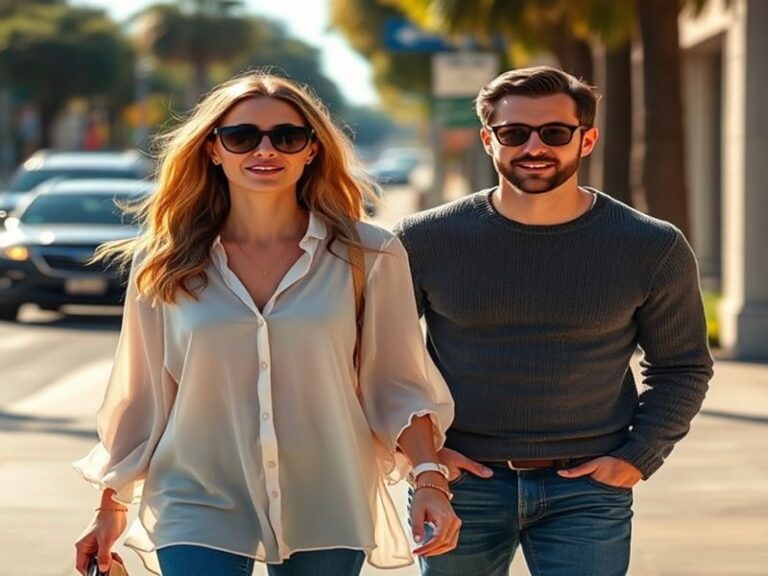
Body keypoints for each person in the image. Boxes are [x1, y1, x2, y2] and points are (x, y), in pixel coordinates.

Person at [73, 72, 460, 576]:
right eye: (241, 136)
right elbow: (142, 397)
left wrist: (429, 479)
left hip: (326, 490)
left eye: (287, 136)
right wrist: (110, 509)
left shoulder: (369, 254)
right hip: (196, 492)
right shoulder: (164, 262)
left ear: (311, 150)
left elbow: (397, 383)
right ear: (213, 149)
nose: (265, 149)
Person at [394, 66, 714, 576]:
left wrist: (639, 456)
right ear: (487, 140)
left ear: (586, 140)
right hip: (462, 484)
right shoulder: (424, 239)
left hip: (587, 492)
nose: (534, 146)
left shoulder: (652, 246)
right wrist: (423, 460)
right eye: (514, 133)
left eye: (555, 133)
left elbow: (682, 366)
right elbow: (381, 360)